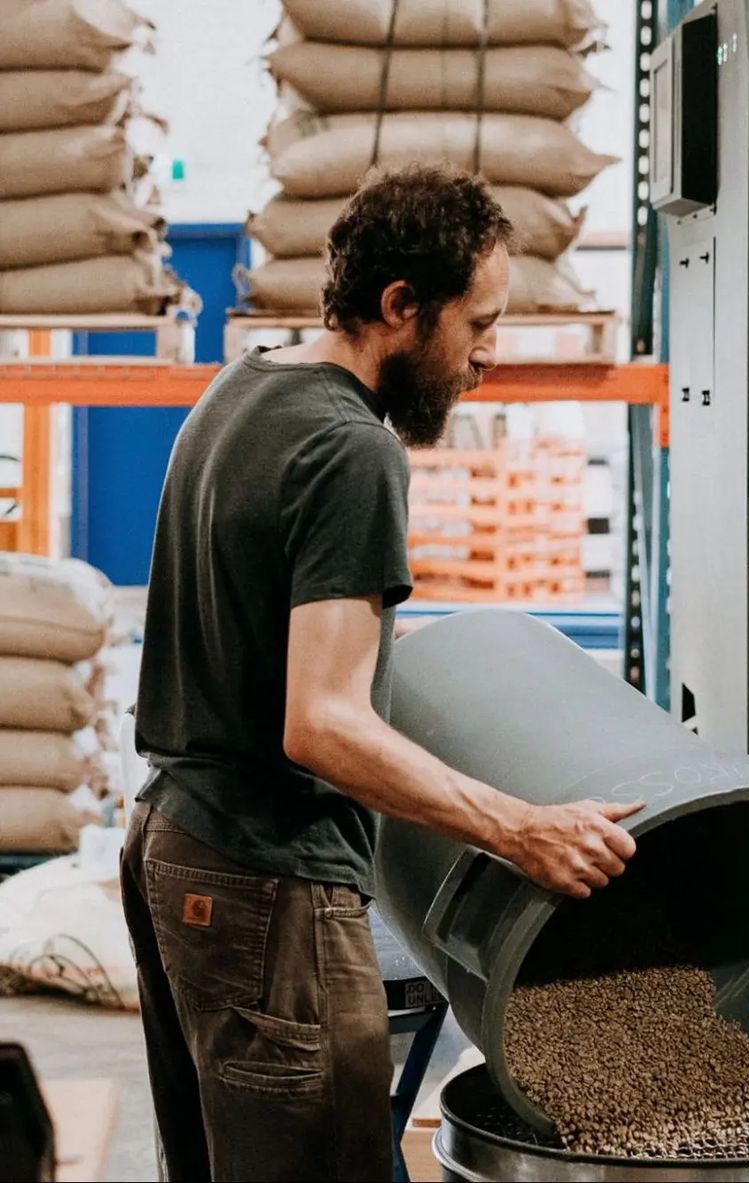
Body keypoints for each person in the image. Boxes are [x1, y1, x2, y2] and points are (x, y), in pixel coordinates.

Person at [119, 165, 642, 1183]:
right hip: (267, 874)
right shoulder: (354, 451)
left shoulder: (248, 385)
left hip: (173, 842)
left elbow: (257, 627)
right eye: (477, 325)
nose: (486, 358)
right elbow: (320, 725)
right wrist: (520, 827)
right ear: (401, 306)